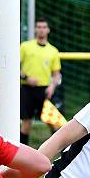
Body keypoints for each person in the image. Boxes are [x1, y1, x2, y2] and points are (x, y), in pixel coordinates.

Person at [20, 18, 61, 146]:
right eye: (39, 27)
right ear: (35, 29)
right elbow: (15, 66)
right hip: (27, 89)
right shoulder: (25, 46)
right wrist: (26, 78)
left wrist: (52, 86)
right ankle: (23, 153)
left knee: (52, 122)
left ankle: (59, 150)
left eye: (44, 27)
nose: (41, 29)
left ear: (48, 30)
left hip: (44, 90)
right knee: (26, 122)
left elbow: (56, 74)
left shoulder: (53, 51)